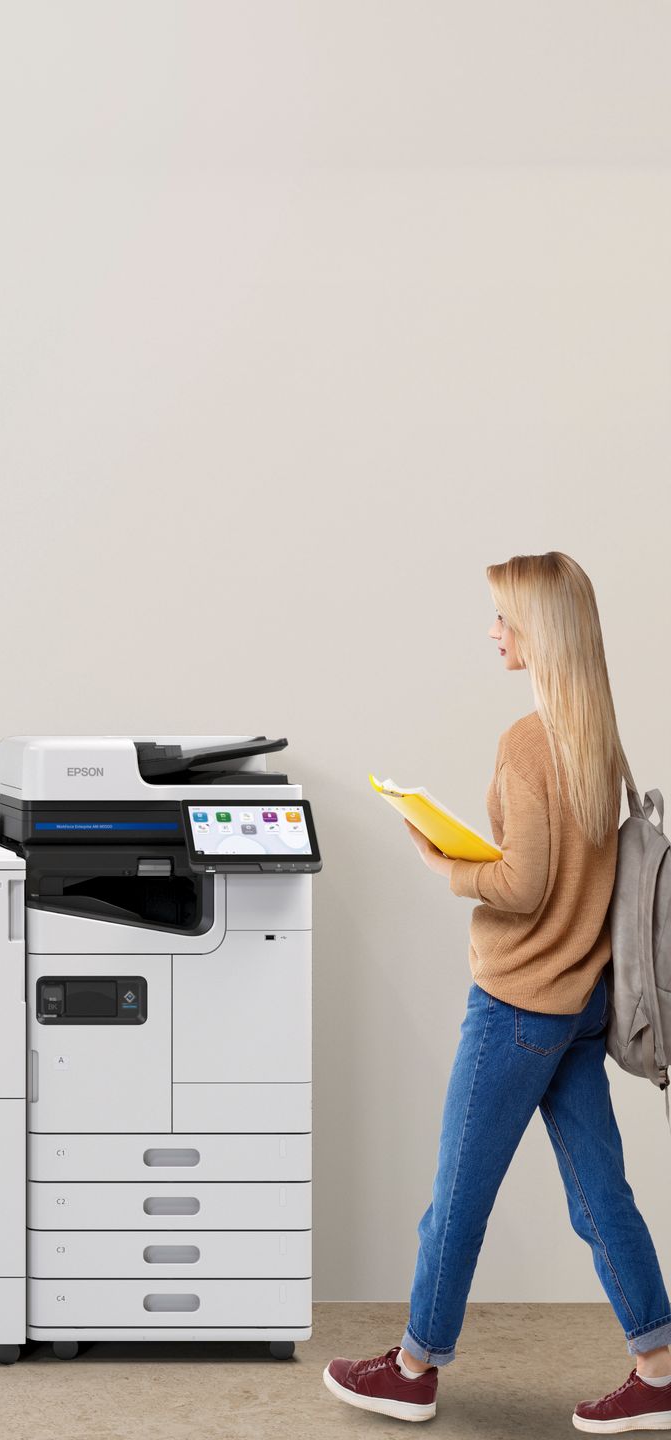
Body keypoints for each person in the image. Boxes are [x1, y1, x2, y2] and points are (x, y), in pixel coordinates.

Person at [324, 553, 671, 1432]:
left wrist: (442, 856)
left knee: (458, 1195)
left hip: (518, 1007)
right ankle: (660, 1365)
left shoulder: (527, 741)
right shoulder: (600, 736)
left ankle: (412, 1368)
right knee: (601, 1194)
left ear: (540, 632)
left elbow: (521, 884)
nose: (493, 632)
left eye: (504, 619)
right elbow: (572, 876)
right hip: (581, 1003)